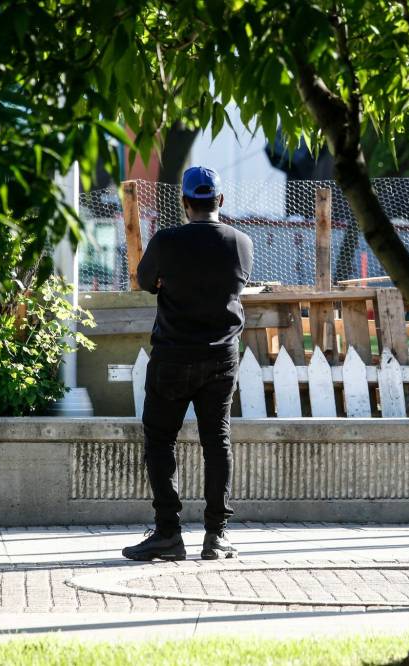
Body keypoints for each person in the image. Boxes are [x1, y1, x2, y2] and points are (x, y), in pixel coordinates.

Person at [122, 166, 253, 562]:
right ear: (220, 201)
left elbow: (146, 282)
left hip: (173, 357)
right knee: (217, 441)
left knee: (160, 440)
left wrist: (169, 280)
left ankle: (167, 532)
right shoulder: (241, 242)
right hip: (220, 358)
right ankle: (217, 535)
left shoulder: (166, 241)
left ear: (184, 202)